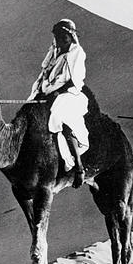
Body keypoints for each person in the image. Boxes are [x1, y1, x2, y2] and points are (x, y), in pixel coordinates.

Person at [28, 19, 89, 188]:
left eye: (64, 37)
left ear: (71, 36)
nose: (61, 40)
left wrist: (56, 92)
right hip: (49, 92)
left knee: (60, 116)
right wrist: (39, 91)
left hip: (70, 94)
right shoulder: (55, 53)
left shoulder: (77, 53)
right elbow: (45, 74)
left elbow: (74, 81)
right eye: (58, 37)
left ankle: (78, 168)